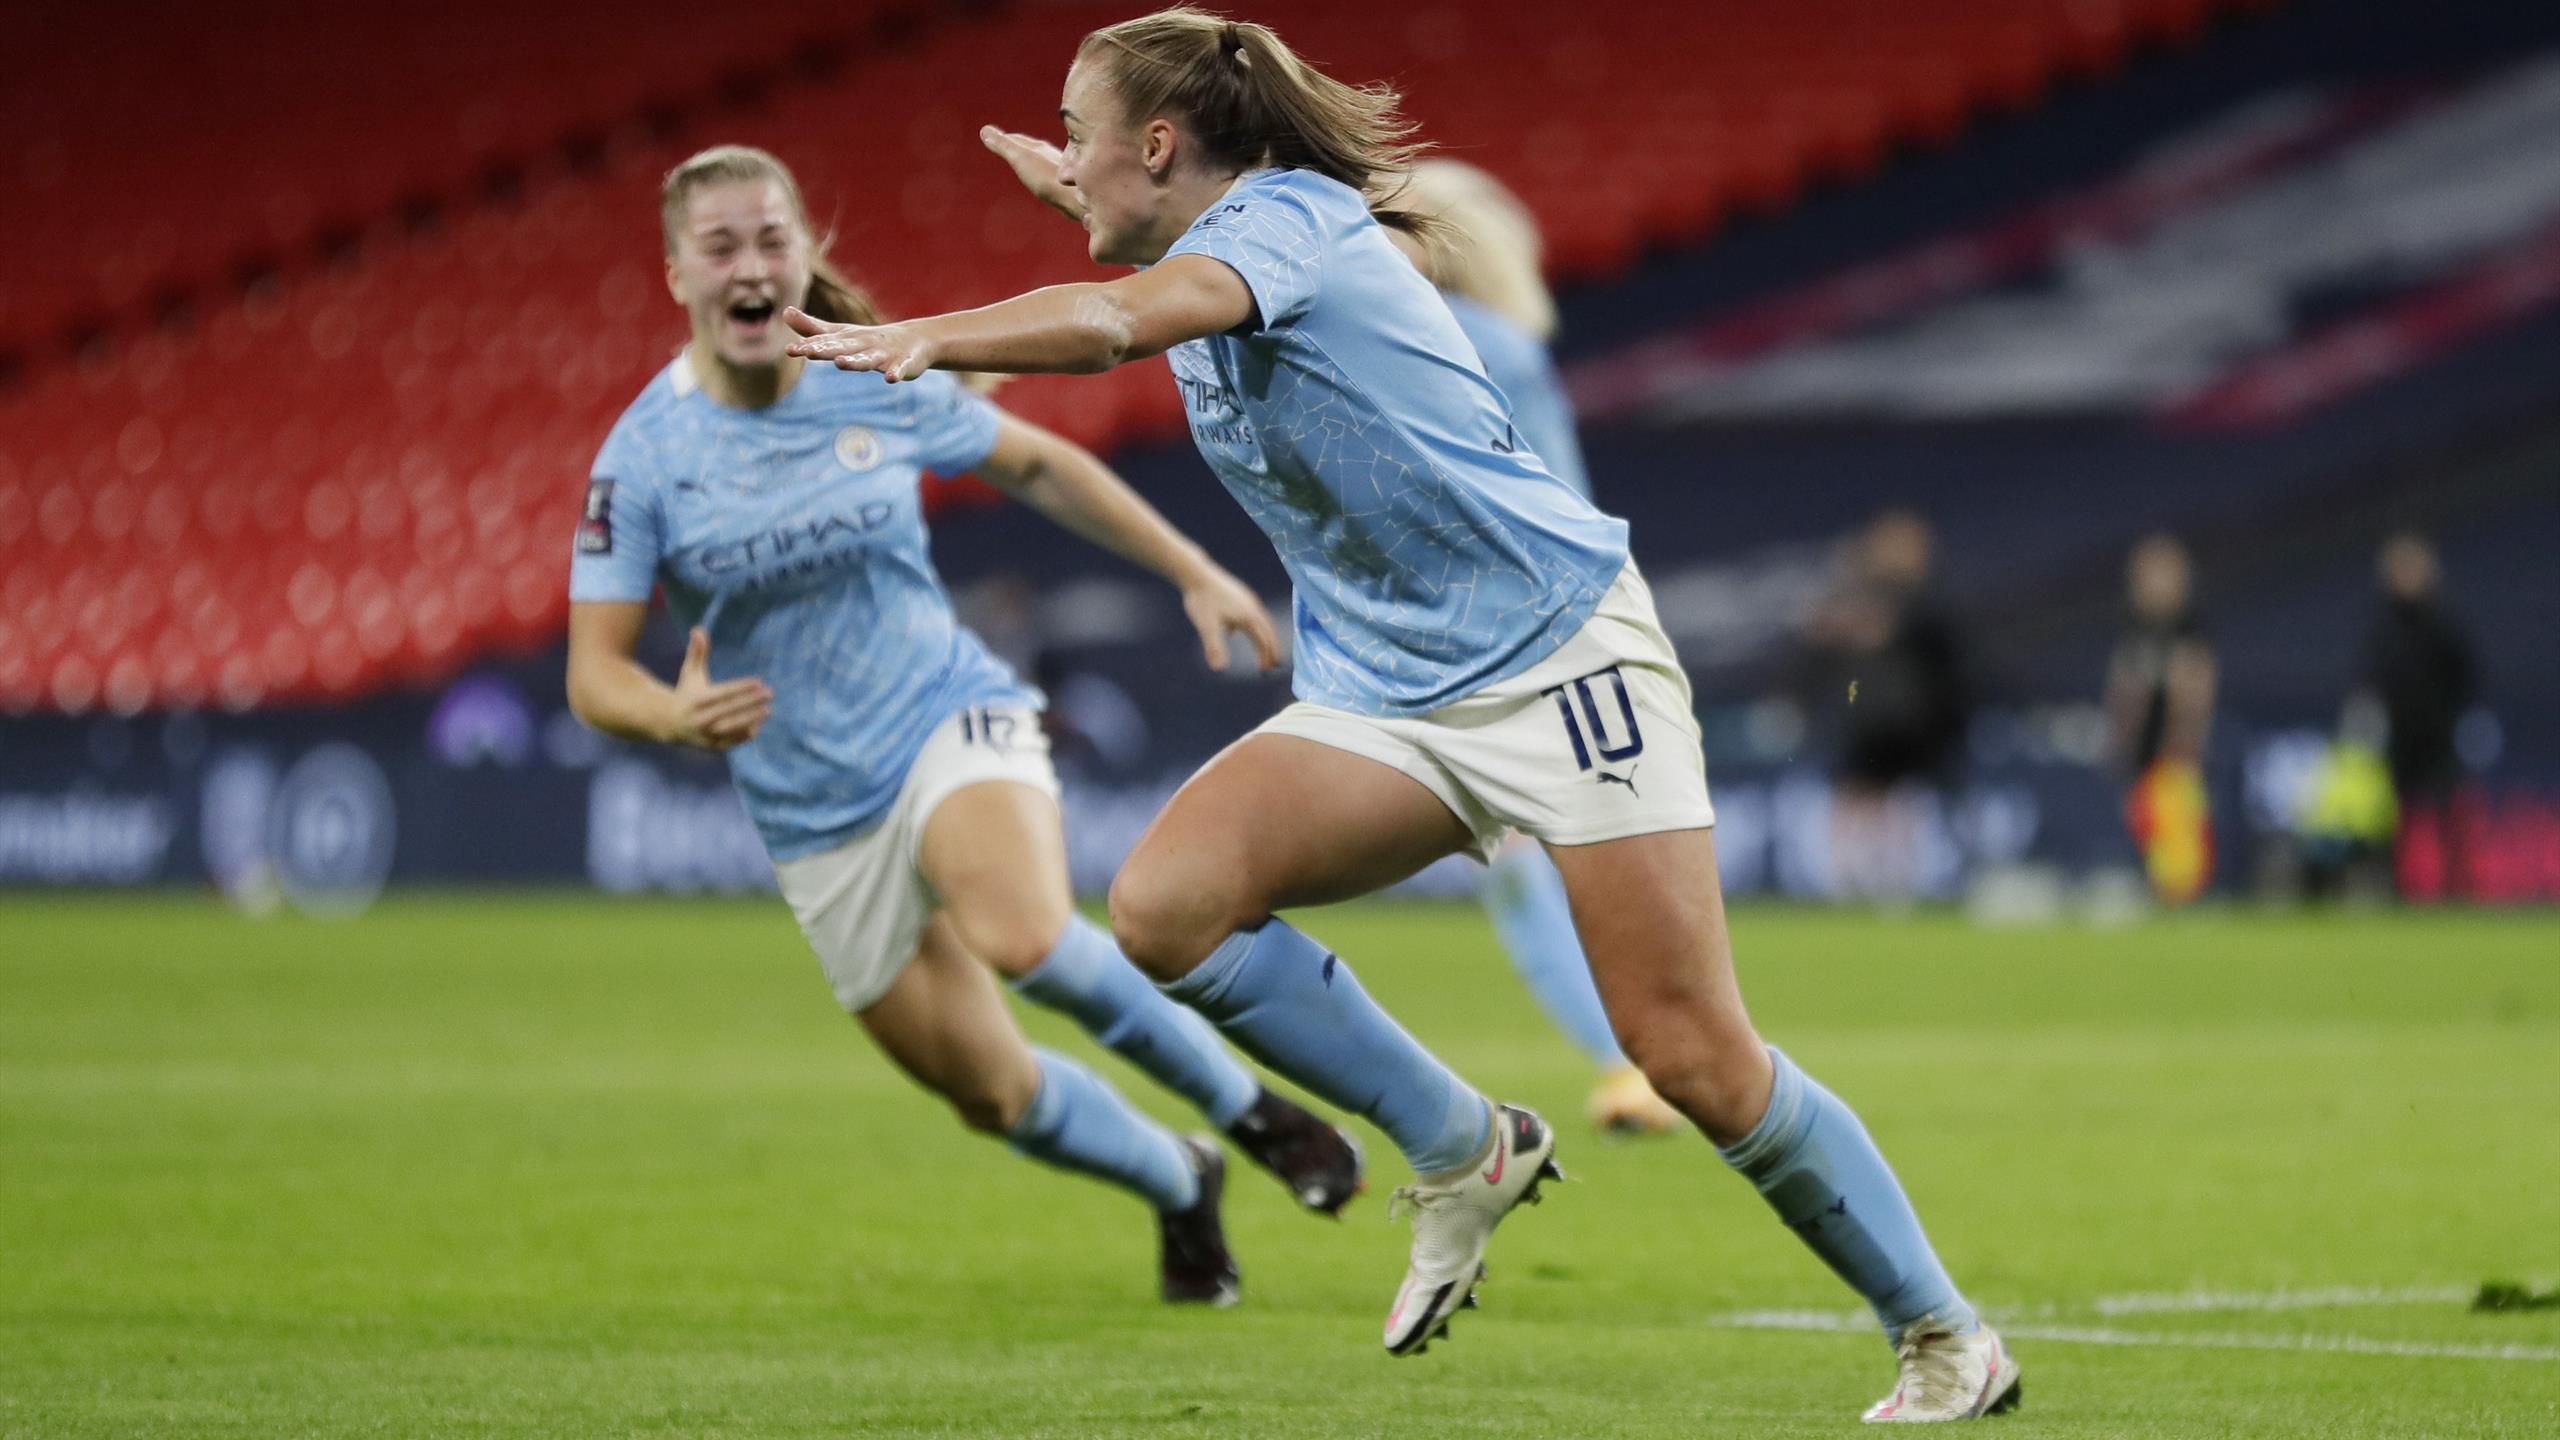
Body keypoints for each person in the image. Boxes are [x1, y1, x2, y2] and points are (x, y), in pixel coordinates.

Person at [782, 10, 2014, 1419]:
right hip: (1389, 689)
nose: (1063, 154)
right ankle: (1460, 1142)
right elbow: (1148, 261)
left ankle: (1944, 1335)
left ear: (1162, 144)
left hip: (1559, 665)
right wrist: (1084, 194)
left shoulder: (1285, 222)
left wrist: (925, 335)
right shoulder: (1204, 232)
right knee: (1170, 906)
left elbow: (1122, 322)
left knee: (1690, 1054)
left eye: (1079, 130)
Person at [563, 144, 1366, 1309]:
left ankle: (1254, 1114)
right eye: (721, 246)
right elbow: (594, 675)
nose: (751, 266)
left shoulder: (867, 375)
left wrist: (1192, 569)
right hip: (810, 809)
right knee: (991, 1096)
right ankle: (1178, 1178)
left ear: (803, 253)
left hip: (946, 714)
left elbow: (1037, 467)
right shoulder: (642, 460)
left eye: (772, 239)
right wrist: (671, 715)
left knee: (1023, 934)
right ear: (677, 273)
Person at [1399, 158, 1677, 1136]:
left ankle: (1639, 1061)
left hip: (1503, 634)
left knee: (1529, 865)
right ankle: (1646, 1057)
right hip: (1543, 623)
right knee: (1557, 857)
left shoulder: (1442, 341)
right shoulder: (1502, 343)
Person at [1802, 510, 1971, 902]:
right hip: (1865, 716)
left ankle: (1897, 881)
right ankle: (1846, 879)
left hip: (1911, 720)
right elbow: (1822, 631)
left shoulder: (1927, 602)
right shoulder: (1858, 589)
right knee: (1855, 797)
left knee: (1902, 804)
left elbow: (1930, 649)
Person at [2362, 532, 2479, 898]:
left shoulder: (2443, 622)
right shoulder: (2382, 626)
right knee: (2391, 817)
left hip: (2438, 737)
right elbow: (2371, 678)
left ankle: (2458, 889)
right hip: (2399, 738)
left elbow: (2466, 675)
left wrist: (2448, 716)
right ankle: (2394, 887)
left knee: (2449, 813)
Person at [2105, 534, 2216, 904]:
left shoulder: (2189, 628)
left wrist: (2186, 747)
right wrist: (2120, 739)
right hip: (2142, 753)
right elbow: (2122, 689)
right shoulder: (2134, 628)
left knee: (2177, 843)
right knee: (2146, 832)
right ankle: (2157, 895)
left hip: (2174, 756)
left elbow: (2197, 690)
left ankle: (2179, 899)